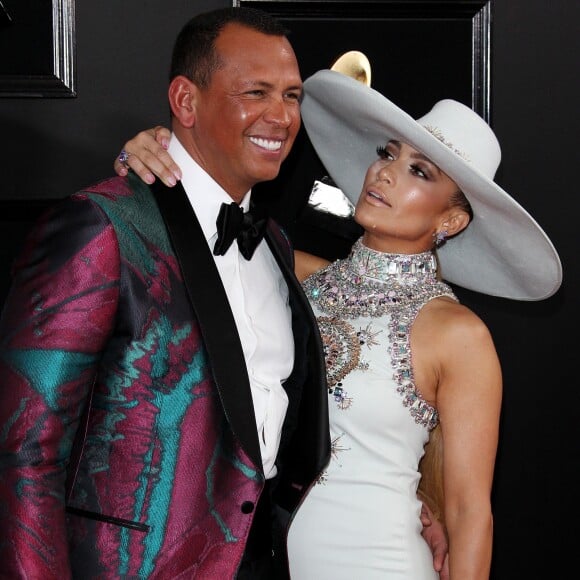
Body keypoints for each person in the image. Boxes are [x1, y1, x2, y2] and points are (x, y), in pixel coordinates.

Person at [112, 68, 562, 579]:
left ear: (452, 221)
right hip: (260, 561)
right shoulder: (286, 270)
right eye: (388, 154)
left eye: (420, 172)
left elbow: (468, 514)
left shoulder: (458, 335)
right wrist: (147, 153)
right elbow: (184, 229)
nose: (387, 173)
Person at [0, 8, 328, 579]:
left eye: (293, 95)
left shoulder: (274, 242)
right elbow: (24, 451)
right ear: (185, 100)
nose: (281, 116)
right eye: (256, 92)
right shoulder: (102, 227)